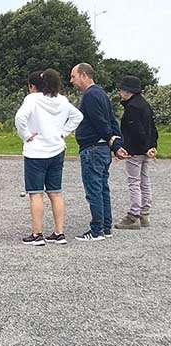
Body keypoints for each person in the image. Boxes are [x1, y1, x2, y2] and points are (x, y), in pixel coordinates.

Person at [15, 69, 83, 246]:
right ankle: (59, 233)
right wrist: (64, 132)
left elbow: (20, 117)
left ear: (36, 85)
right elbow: (78, 116)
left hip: (36, 152)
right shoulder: (62, 100)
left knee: (36, 193)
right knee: (55, 192)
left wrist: (26, 135)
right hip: (57, 150)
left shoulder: (33, 99)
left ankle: (37, 234)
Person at [69, 63, 129, 241]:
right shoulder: (101, 93)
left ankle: (96, 231)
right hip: (102, 149)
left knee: (94, 190)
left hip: (93, 148)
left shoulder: (90, 95)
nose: (72, 81)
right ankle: (106, 227)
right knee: (102, 188)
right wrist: (118, 142)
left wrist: (114, 143)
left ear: (84, 75)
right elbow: (112, 120)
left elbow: (101, 123)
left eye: (73, 76)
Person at [113, 75, 159, 230]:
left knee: (134, 182)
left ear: (128, 91)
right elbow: (152, 128)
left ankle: (134, 216)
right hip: (146, 149)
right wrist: (152, 146)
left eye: (121, 89)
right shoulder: (145, 104)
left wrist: (143, 147)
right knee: (145, 180)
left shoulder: (131, 107)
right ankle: (145, 213)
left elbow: (136, 131)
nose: (120, 92)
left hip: (135, 150)